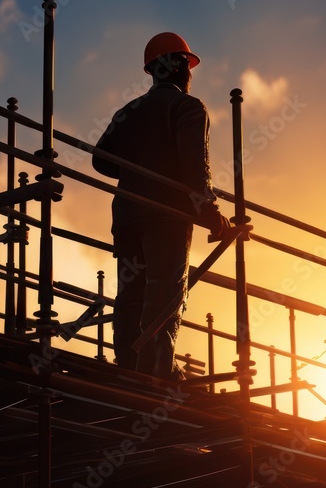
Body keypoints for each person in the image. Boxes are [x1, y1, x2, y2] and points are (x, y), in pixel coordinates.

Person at [93, 32, 228, 379]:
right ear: (181, 66)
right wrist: (209, 212)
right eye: (187, 64)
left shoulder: (130, 110)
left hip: (128, 215)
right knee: (165, 294)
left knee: (132, 293)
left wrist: (140, 168)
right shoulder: (188, 107)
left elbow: (101, 161)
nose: (189, 72)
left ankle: (128, 368)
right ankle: (156, 373)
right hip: (166, 216)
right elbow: (196, 167)